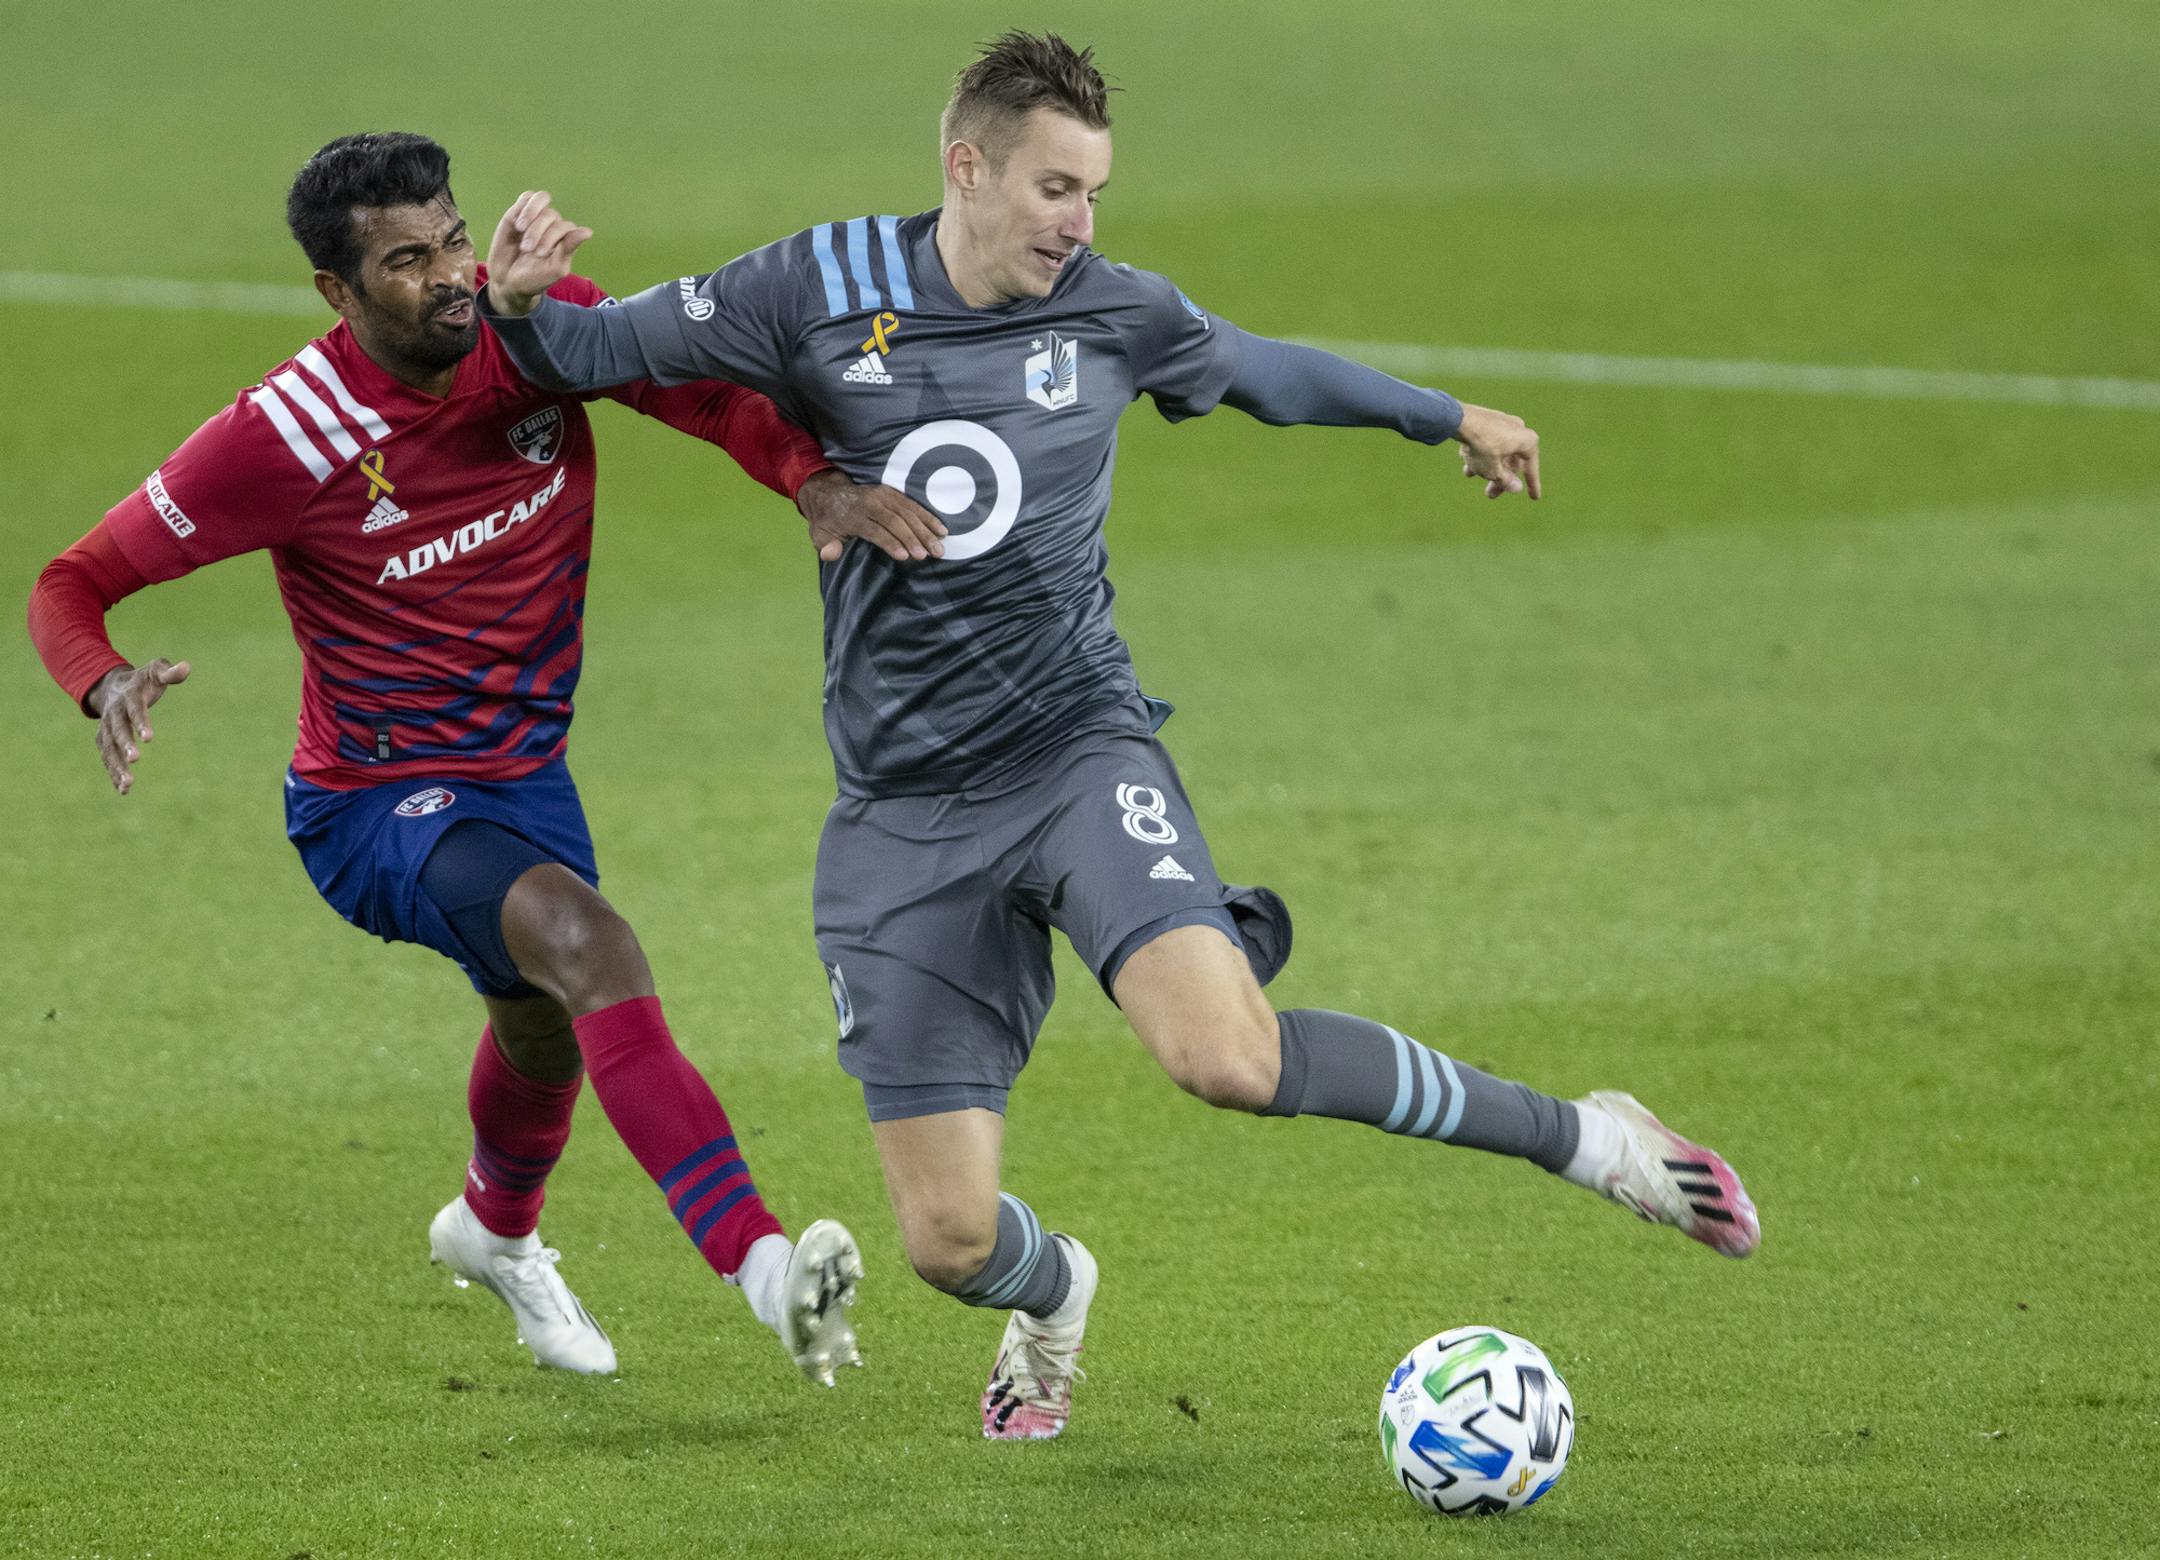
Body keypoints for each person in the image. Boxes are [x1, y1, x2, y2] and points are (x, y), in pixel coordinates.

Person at [479, 32, 1760, 1439]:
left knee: (1228, 1058)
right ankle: (1058, 1295)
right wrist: (526, 306)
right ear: (966, 167)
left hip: (1075, 753)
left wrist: (1444, 413)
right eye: (1053, 190)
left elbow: (1264, 370)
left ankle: (1592, 1138)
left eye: (1093, 193)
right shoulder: (813, 283)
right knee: (950, 1245)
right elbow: (599, 351)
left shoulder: (1112, 312)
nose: (1079, 225)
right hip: (902, 816)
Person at [25, 133, 947, 1387]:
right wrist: (103, 679)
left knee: (543, 1024)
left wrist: (810, 480)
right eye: (408, 262)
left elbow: (707, 395)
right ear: (338, 296)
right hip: (370, 802)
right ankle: (771, 1273)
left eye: (452, 239)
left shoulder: (534, 327)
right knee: (592, 950)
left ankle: (493, 1232)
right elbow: (73, 580)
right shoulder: (286, 434)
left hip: (520, 776)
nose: (451, 275)